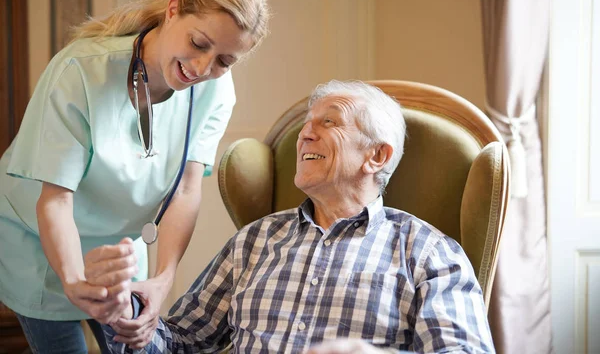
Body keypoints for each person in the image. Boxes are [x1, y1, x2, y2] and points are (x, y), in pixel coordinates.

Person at [91, 80, 495, 353]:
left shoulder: (429, 253)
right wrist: (125, 311)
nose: (306, 134)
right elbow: (179, 342)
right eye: (306, 124)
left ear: (377, 155)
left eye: (329, 122)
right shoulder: (255, 241)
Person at [0, 0, 269, 353]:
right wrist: (74, 280)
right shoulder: (80, 72)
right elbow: (55, 199)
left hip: (122, 252)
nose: (202, 67)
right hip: (41, 244)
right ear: (173, 10)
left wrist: (162, 279)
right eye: (198, 43)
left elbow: (186, 190)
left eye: (224, 61)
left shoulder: (216, 91)